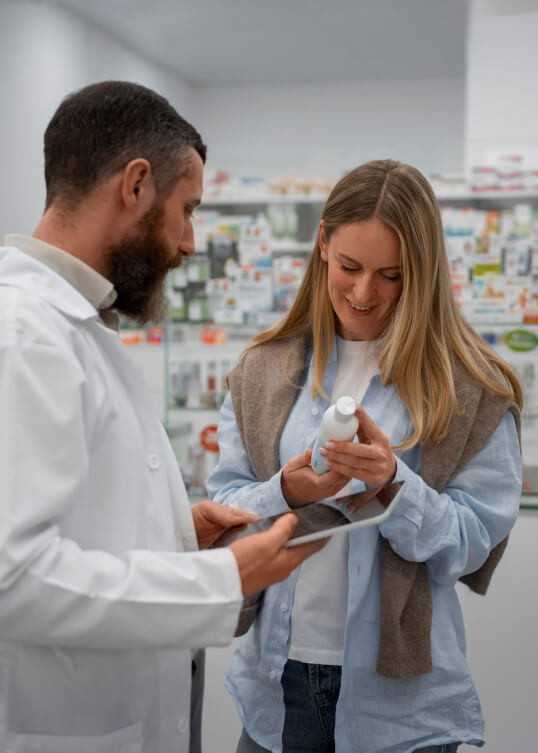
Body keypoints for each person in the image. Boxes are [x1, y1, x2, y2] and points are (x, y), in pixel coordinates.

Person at [0, 80, 324, 753]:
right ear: (136, 185)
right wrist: (221, 579)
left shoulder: (79, 323)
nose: (189, 241)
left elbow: (75, 518)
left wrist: (179, 537)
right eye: (188, 209)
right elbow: (14, 575)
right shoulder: (24, 333)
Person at [207, 159, 523, 753]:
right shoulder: (262, 370)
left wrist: (394, 486)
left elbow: (473, 541)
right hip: (276, 686)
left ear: (424, 272)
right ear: (322, 242)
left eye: (391, 275)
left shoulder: (471, 388)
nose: (363, 292)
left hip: (399, 703)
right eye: (349, 266)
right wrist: (285, 492)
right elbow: (222, 509)